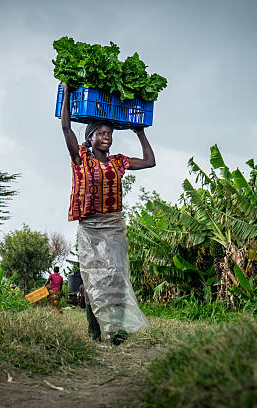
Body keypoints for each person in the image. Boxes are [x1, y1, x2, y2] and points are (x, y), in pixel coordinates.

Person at [60, 83, 154, 345]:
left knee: (116, 275)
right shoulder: (80, 158)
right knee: (92, 278)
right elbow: (66, 128)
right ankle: (95, 330)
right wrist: (67, 92)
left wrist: (140, 132)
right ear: (89, 137)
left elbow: (149, 162)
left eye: (109, 133)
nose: (107, 136)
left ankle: (117, 331)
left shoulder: (118, 162)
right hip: (90, 226)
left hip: (113, 225)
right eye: (101, 133)